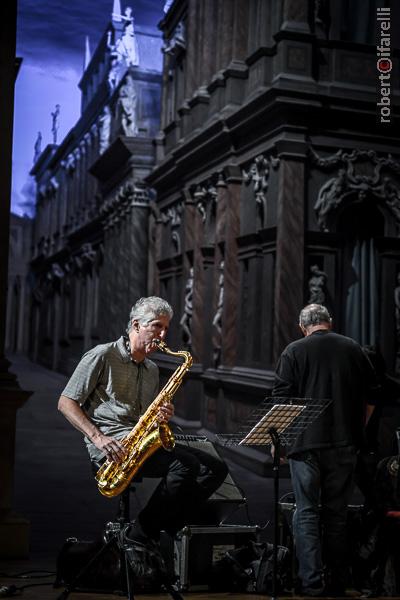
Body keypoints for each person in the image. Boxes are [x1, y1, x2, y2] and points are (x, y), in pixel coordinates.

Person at [58, 296, 228, 549]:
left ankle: (160, 525)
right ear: (136, 325)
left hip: (138, 441)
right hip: (112, 448)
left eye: (166, 328)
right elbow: (65, 402)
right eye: (156, 326)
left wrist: (160, 417)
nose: (162, 335)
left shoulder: (151, 369)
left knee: (216, 468)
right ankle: (143, 532)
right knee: (186, 466)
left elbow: (144, 420)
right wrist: (99, 438)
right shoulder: (102, 355)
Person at [272, 303, 378, 597]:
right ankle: (337, 583)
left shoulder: (294, 350)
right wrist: (358, 427)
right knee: (337, 515)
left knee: (306, 512)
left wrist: (278, 442)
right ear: (328, 322)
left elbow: (282, 400)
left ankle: (311, 583)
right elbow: (373, 394)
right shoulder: (354, 348)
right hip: (345, 443)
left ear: (302, 326)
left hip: (305, 445)